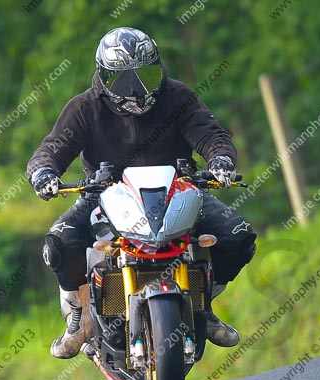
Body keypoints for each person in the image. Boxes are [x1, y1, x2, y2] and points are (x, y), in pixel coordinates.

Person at [27, 27, 257, 359]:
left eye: (145, 74)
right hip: (104, 195)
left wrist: (220, 159)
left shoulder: (178, 97)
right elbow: (51, 150)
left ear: (158, 68)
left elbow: (210, 134)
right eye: (124, 80)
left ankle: (202, 306)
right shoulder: (84, 108)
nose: (136, 88)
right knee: (58, 244)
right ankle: (79, 318)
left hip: (178, 189)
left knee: (237, 236)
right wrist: (43, 173)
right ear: (105, 77)